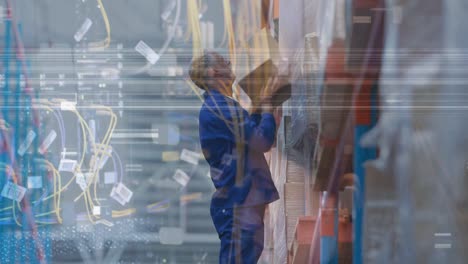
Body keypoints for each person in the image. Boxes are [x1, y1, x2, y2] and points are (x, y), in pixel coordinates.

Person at [189, 51, 280, 264]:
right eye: (224, 62)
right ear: (213, 71)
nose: (230, 64)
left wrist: (261, 108)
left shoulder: (222, 106)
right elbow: (261, 140)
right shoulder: (220, 108)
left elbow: (248, 137)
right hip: (240, 205)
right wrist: (267, 109)